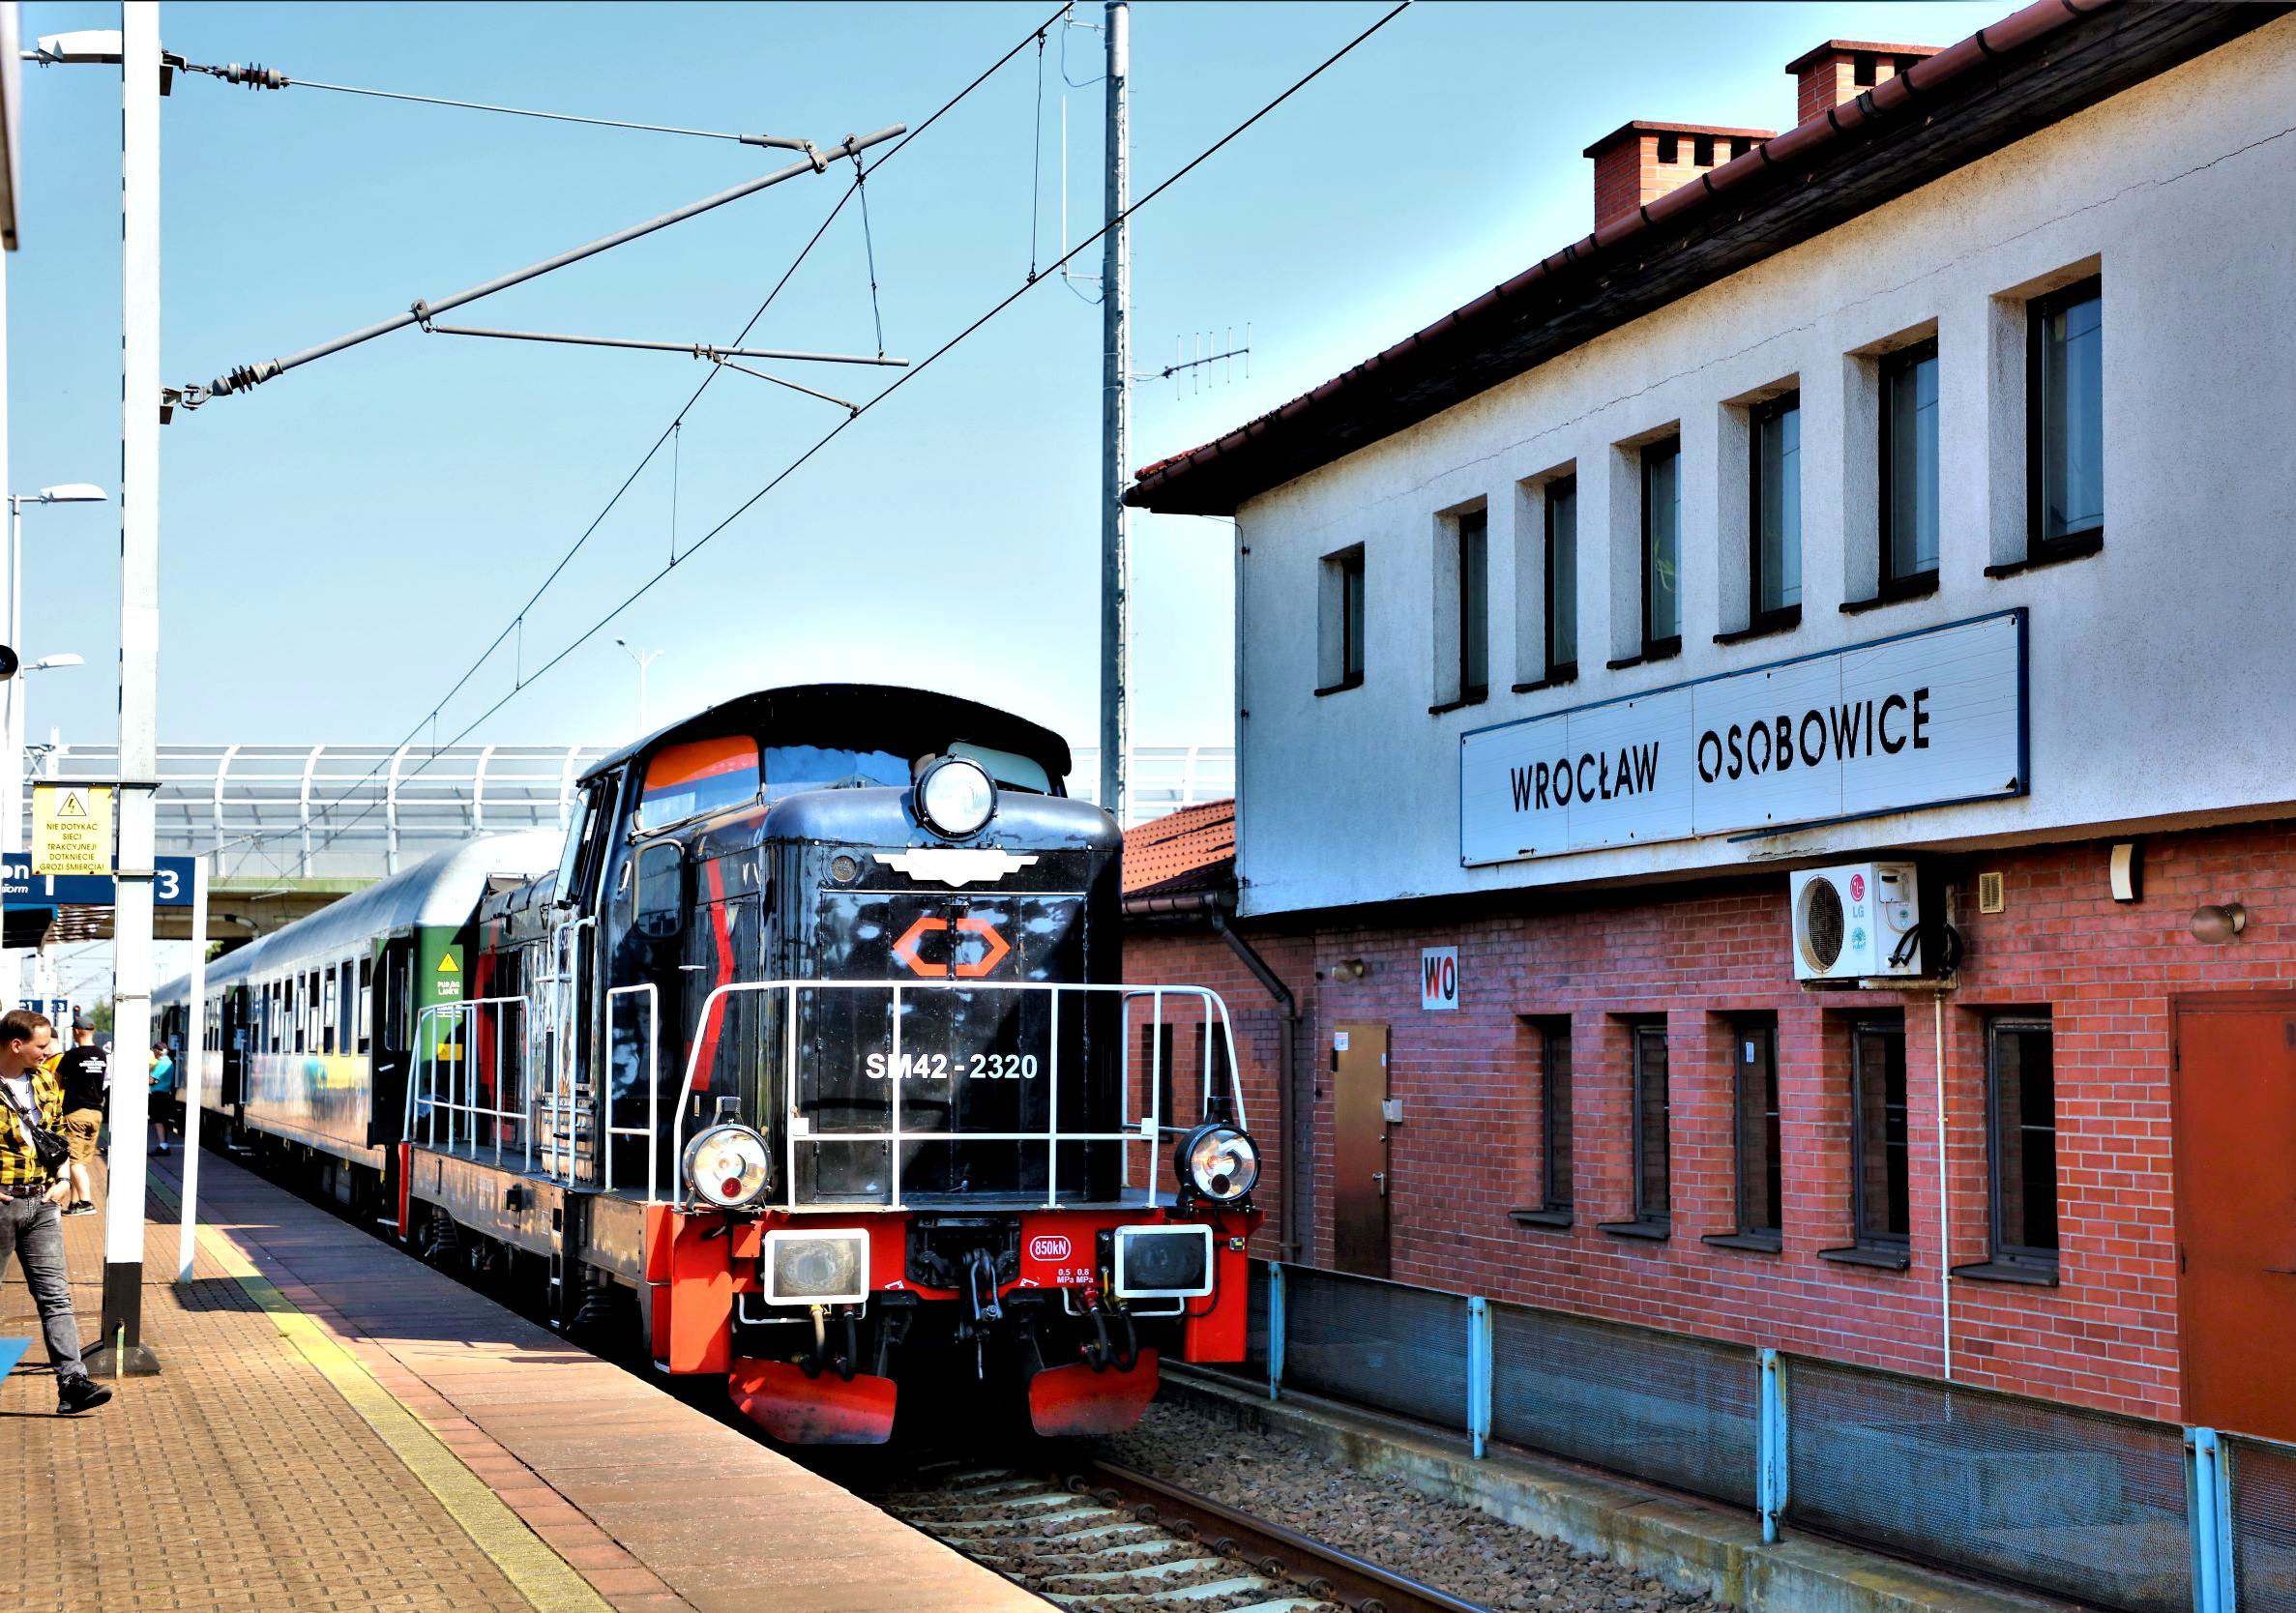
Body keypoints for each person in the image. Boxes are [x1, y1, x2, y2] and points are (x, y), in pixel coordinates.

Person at [0, 1008, 113, 1415]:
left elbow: (58, 1132)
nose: (48, 1052)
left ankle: (72, 1383)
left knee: (56, 1296)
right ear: (17, 1045)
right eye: (42, 1045)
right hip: (4, 1202)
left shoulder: (44, 1080)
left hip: (44, 1202)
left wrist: (64, 1178)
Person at [54, 1012, 109, 1216]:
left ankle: (86, 1202)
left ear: (77, 1031)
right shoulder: (101, 1055)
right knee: (82, 1162)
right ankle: (75, 1203)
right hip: (96, 1113)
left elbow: (57, 1081)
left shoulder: (72, 1055)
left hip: (76, 1112)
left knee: (74, 1161)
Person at [148, 1042, 176, 1158]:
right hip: (164, 1094)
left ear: (157, 1051)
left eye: (153, 1051)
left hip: (159, 1095)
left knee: (158, 1121)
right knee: (161, 1121)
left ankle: (163, 1146)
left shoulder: (162, 1063)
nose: (153, 1053)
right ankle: (163, 1145)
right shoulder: (168, 1062)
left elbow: (151, 1080)